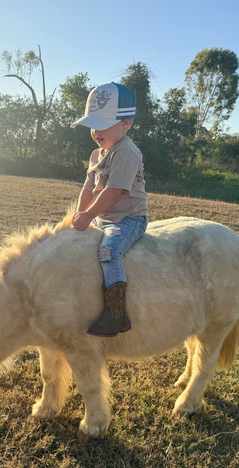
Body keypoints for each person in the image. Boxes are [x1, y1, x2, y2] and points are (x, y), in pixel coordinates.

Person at [71, 82, 148, 337]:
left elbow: (112, 191)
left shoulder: (126, 152)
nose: (95, 131)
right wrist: (80, 217)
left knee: (109, 250)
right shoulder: (96, 155)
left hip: (128, 220)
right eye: (93, 125)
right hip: (102, 218)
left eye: (103, 124)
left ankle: (116, 315)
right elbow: (88, 189)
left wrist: (89, 215)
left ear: (126, 123)